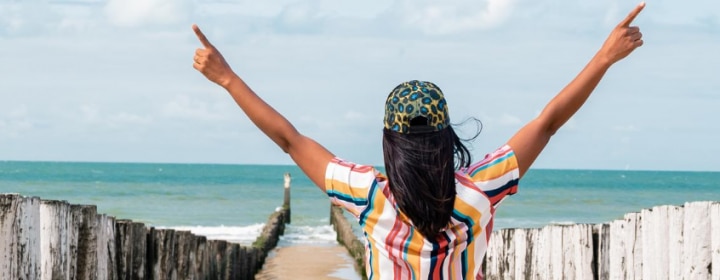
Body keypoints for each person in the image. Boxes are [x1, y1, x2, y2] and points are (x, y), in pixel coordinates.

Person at [191, 2, 645, 279]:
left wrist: (227, 78)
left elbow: (290, 140)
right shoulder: (480, 191)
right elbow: (547, 124)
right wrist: (604, 58)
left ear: (390, 140)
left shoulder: (370, 196)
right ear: (447, 137)